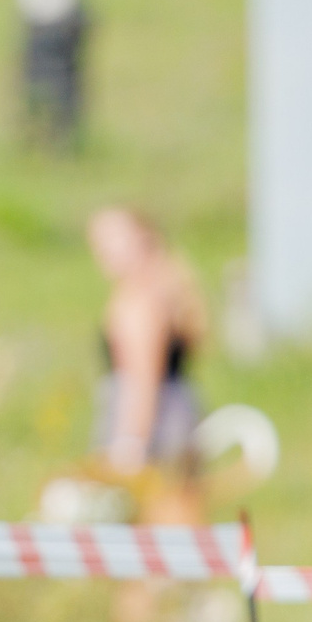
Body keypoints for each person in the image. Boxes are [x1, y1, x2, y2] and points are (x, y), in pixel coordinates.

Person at [85, 205, 207, 521]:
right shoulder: (166, 292)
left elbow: (141, 381)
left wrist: (130, 445)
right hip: (177, 420)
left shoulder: (138, 304)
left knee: (150, 537)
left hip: (153, 429)